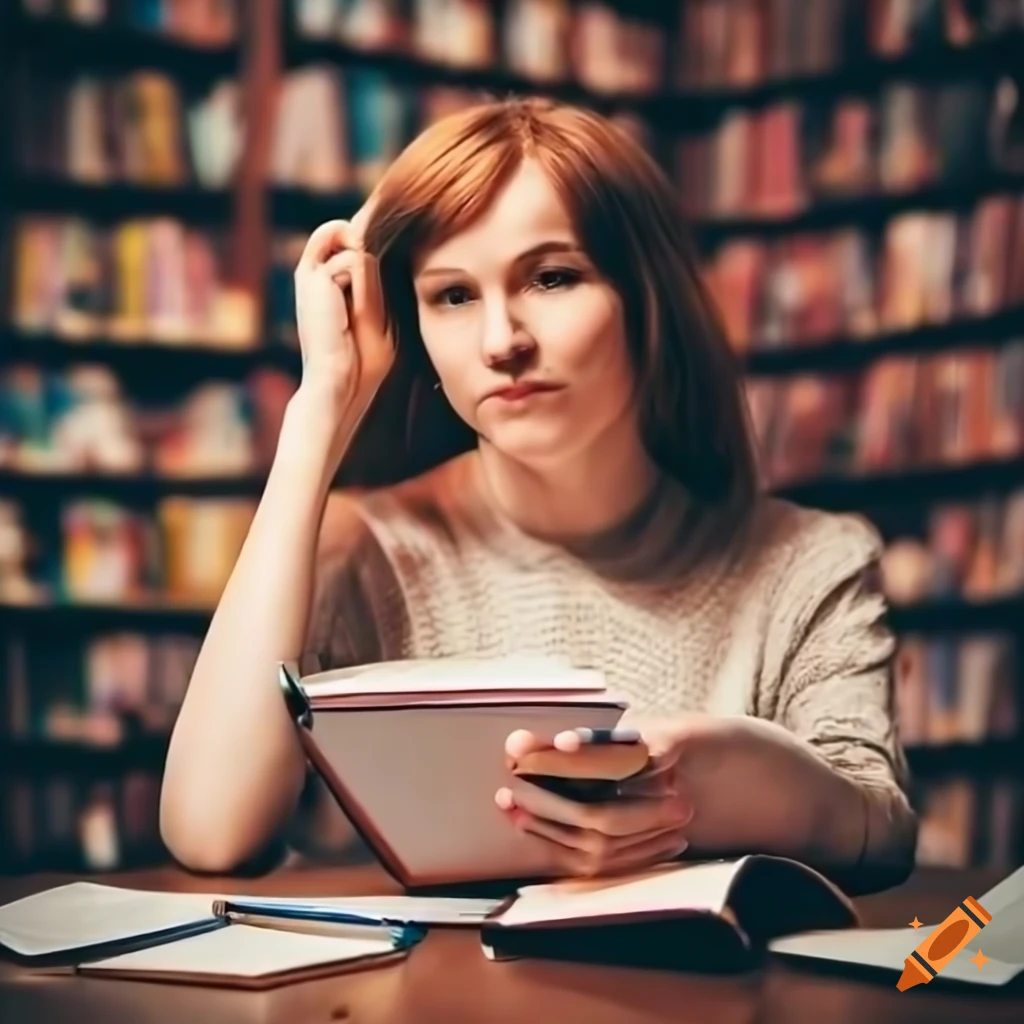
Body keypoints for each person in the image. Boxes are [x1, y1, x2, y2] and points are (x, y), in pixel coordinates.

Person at [159, 97, 917, 891]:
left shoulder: (810, 562)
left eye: (553, 278)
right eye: (452, 296)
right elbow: (211, 834)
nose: (502, 342)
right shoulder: (362, 549)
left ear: (646, 299)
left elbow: (881, 826)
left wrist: (722, 785)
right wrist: (323, 408)